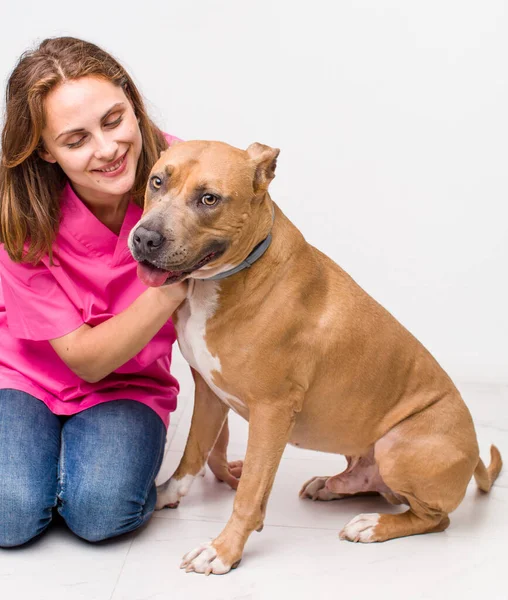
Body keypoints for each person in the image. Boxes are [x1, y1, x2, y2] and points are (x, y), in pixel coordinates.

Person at [0, 36, 241, 548]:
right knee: (11, 518)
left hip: (128, 388)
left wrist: (212, 449)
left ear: (132, 105)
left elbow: (212, 324)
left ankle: (73, 472)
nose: (107, 150)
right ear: (45, 149)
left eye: (113, 120)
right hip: (23, 378)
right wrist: (176, 283)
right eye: (75, 139)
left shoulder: (186, 175)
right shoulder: (20, 213)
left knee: (102, 516)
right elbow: (85, 360)